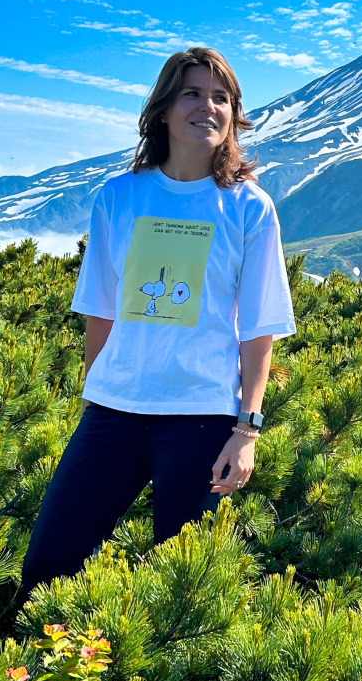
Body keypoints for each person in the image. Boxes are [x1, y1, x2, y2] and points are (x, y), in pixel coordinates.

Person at [20, 45, 295, 595]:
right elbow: (99, 309)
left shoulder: (248, 206)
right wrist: (95, 391)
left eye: (221, 97)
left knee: (180, 590)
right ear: (164, 108)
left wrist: (247, 429)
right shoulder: (119, 197)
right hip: (114, 411)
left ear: (233, 115)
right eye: (192, 93)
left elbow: (259, 328)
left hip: (202, 417)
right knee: (47, 570)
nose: (207, 107)